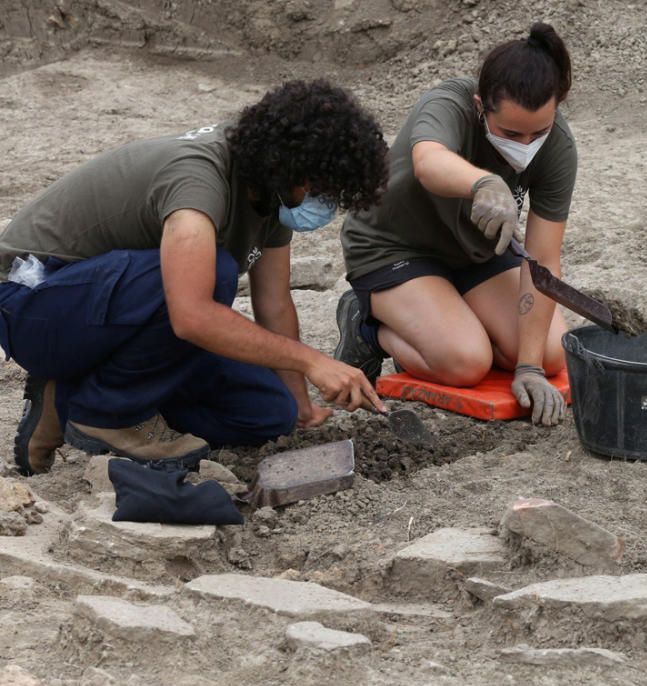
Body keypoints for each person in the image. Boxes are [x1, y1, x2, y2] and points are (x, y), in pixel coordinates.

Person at [0, 79, 389, 476]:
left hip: (107, 313)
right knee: (214, 275)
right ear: (286, 165)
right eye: (317, 186)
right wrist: (312, 360)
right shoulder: (198, 181)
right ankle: (105, 412)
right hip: (32, 304)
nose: (322, 200)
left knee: (270, 414)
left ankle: (68, 397)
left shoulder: (270, 190)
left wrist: (301, 404)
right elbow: (192, 316)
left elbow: (274, 303)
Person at [336, 22, 576, 427]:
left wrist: (530, 367)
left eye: (538, 132)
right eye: (510, 133)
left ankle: (444, 322)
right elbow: (428, 162)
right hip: (394, 247)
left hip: (475, 253)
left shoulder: (558, 148)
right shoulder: (449, 102)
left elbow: (543, 261)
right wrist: (484, 183)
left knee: (550, 353)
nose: (525, 145)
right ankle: (366, 327)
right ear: (481, 106)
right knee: (466, 362)